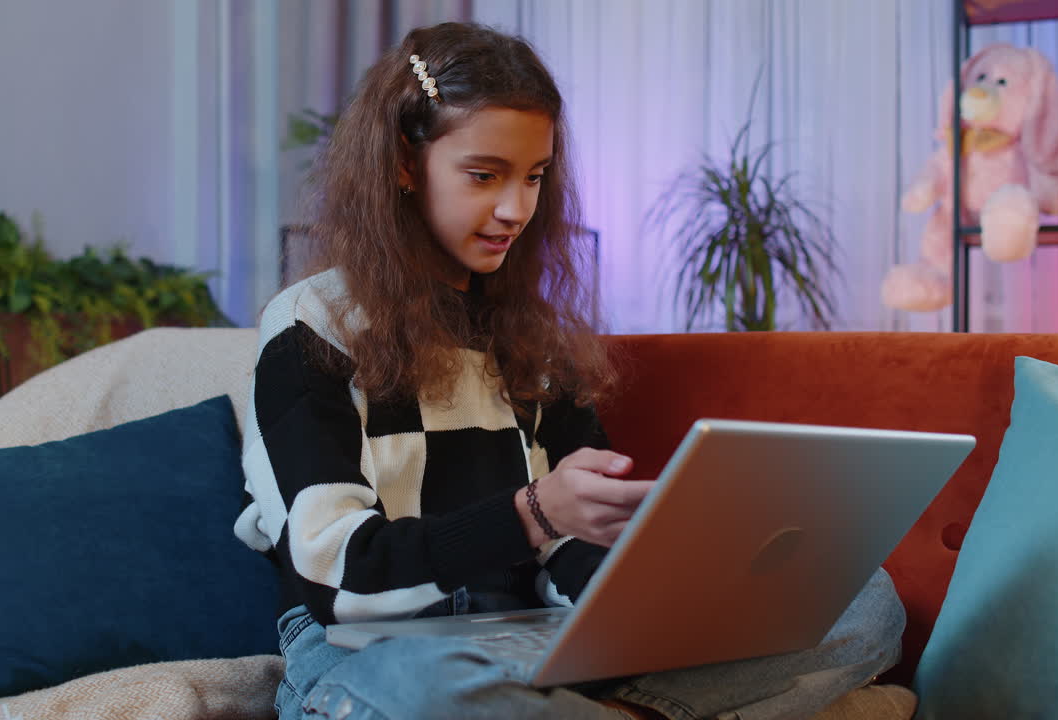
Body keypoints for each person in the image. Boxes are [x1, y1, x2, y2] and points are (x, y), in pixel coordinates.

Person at [235, 21, 904, 720]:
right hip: (367, 649)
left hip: (527, 643)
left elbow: (576, 555)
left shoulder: (535, 339)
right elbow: (337, 577)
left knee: (865, 601)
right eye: (485, 175)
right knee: (428, 687)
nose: (515, 209)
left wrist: (653, 588)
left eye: (534, 176)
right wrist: (533, 512)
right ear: (406, 162)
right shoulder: (313, 324)